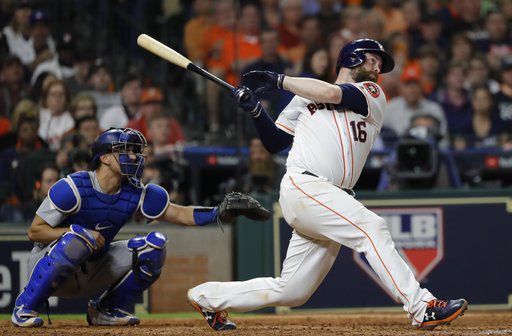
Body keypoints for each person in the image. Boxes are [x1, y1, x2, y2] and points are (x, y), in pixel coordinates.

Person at [187, 39, 467, 331]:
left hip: (329, 197)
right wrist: (256, 111)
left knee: (293, 291)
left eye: (380, 63)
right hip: (305, 185)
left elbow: (332, 93)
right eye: (373, 60)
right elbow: (275, 142)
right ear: (353, 58)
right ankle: (421, 307)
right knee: (372, 228)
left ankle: (207, 296)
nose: (378, 67)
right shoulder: (302, 96)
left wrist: (280, 80)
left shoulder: (371, 93)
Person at [11, 127, 270, 328]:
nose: (133, 156)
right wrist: (75, 232)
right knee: (77, 238)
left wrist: (219, 213)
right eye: (125, 150)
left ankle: (105, 310)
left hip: (93, 269)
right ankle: (25, 306)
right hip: (52, 269)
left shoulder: (135, 192)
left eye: (135, 150)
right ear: (104, 157)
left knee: (155, 245)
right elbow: (35, 231)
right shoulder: (72, 188)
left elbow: (179, 214)